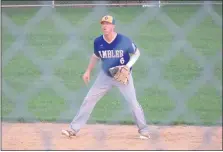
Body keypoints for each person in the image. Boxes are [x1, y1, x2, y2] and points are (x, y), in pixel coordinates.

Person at [62, 15, 150, 139]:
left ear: (113, 26)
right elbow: (95, 56)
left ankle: (144, 130)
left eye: (108, 24)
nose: (105, 26)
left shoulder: (123, 40)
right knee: (89, 100)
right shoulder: (98, 42)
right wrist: (88, 71)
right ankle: (73, 129)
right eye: (103, 23)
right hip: (105, 76)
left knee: (132, 102)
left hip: (122, 76)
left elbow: (137, 53)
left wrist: (128, 66)